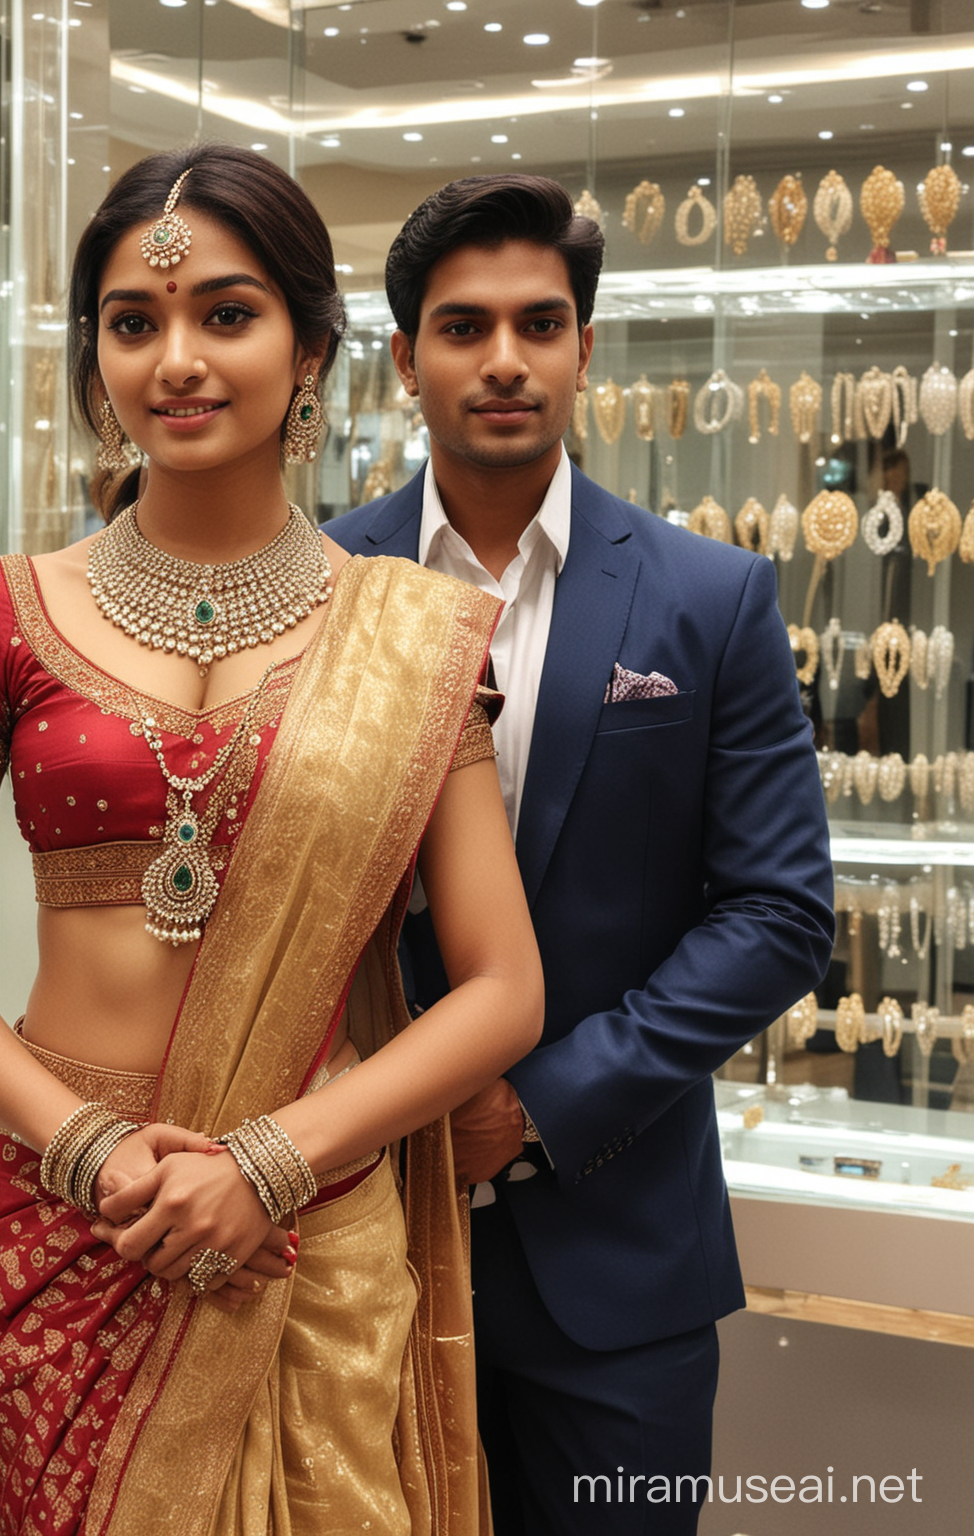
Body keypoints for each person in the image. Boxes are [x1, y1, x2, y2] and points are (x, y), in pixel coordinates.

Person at [0, 144, 543, 1536]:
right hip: (70, 1231)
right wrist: (92, 1151)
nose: (176, 358)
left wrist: (271, 1162)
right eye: (133, 321)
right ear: (95, 357)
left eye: (226, 314)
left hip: (310, 1231)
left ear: (310, 352)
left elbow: (503, 988)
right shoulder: (1, 612)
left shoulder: (408, 637)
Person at [326, 174, 835, 1536]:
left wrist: (540, 1106)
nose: (504, 360)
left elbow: (780, 913)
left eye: (540, 325)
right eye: (464, 327)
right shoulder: (320, 588)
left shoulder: (708, 597)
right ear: (406, 359)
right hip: (349, 1244)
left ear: (586, 350)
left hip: (618, 1264)